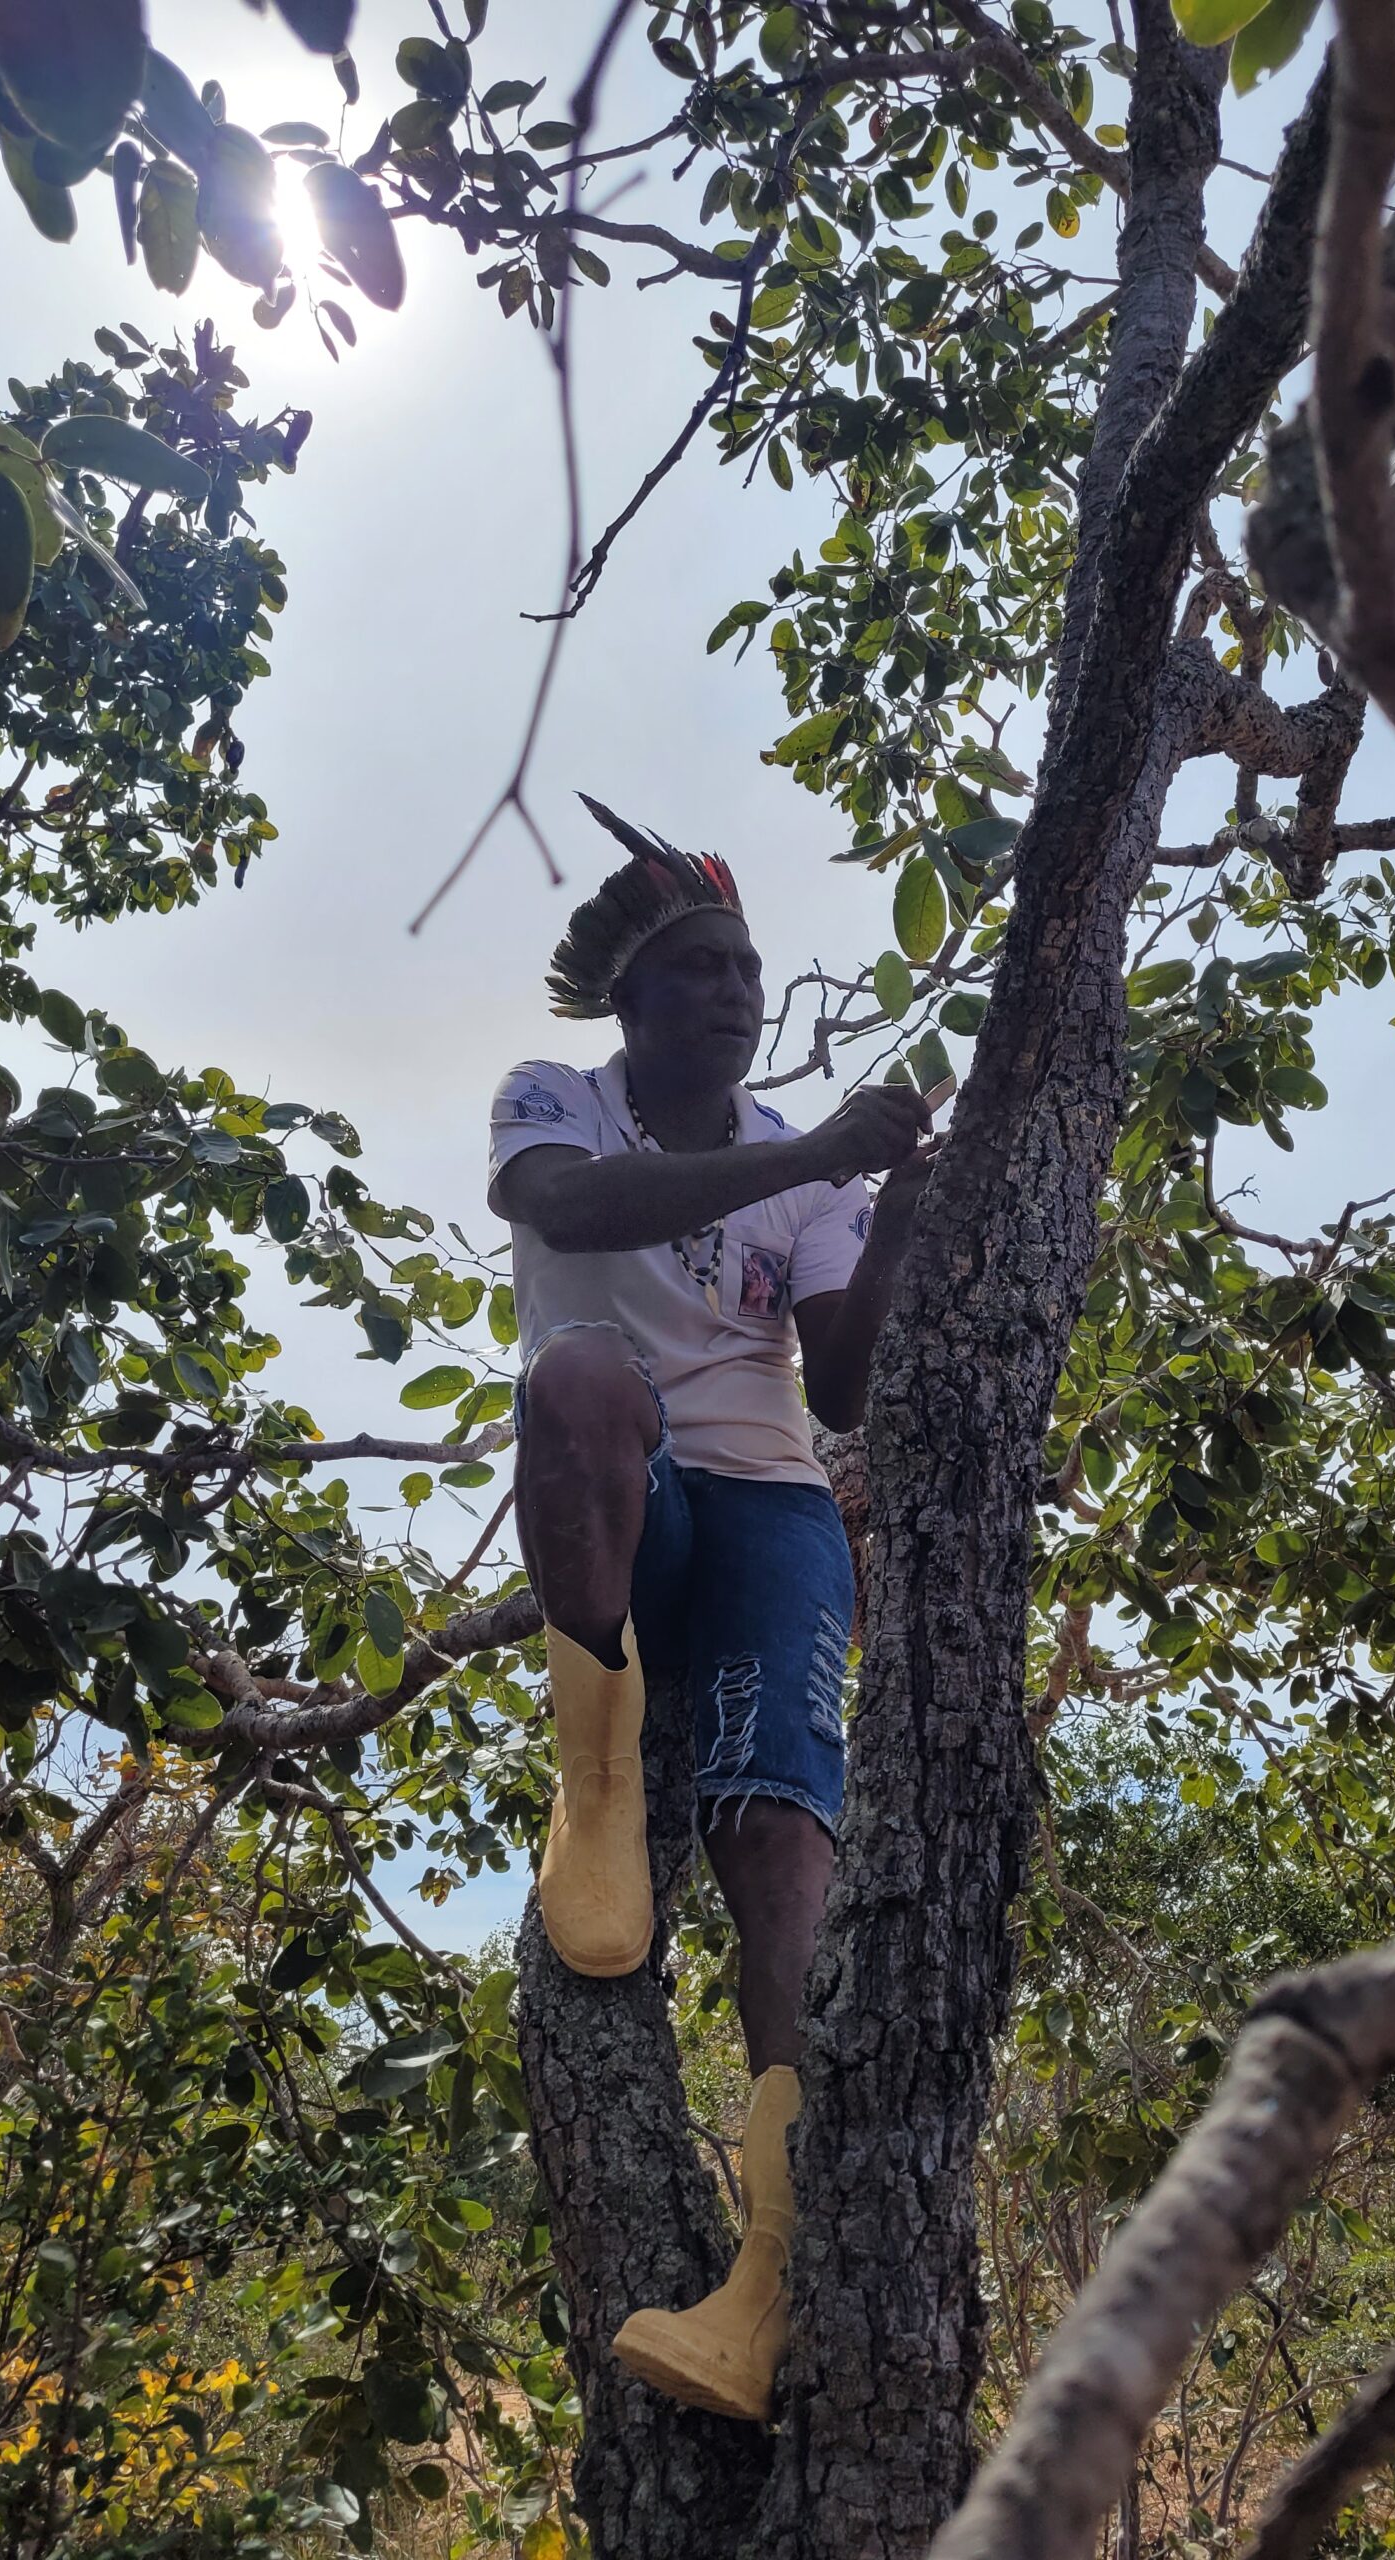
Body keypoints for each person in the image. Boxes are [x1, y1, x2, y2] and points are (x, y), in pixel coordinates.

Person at [487, 798, 939, 2425]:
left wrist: (894, 1225)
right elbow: (566, 1214)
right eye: (701, 969)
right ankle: (600, 1792)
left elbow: (847, 1377)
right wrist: (822, 1151)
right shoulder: (561, 1102)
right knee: (583, 1375)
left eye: (749, 967)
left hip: (772, 1515)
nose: (737, 992)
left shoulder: (808, 1176)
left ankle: (765, 2289)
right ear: (634, 1000)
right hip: (634, 1490)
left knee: (785, 1855)